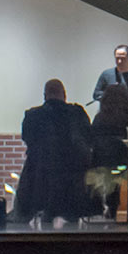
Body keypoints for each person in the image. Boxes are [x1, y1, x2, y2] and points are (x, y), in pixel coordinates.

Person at [13, 79, 97, 228]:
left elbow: (28, 139)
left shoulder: (33, 115)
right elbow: (89, 138)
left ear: (45, 95)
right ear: (64, 95)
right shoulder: (77, 114)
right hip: (73, 176)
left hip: (41, 174)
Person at [89, 84, 128, 220]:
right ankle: (113, 207)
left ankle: (98, 207)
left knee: (103, 175)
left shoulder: (100, 118)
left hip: (100, 162)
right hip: (126, 163)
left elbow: (91, 138)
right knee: (115, 176)